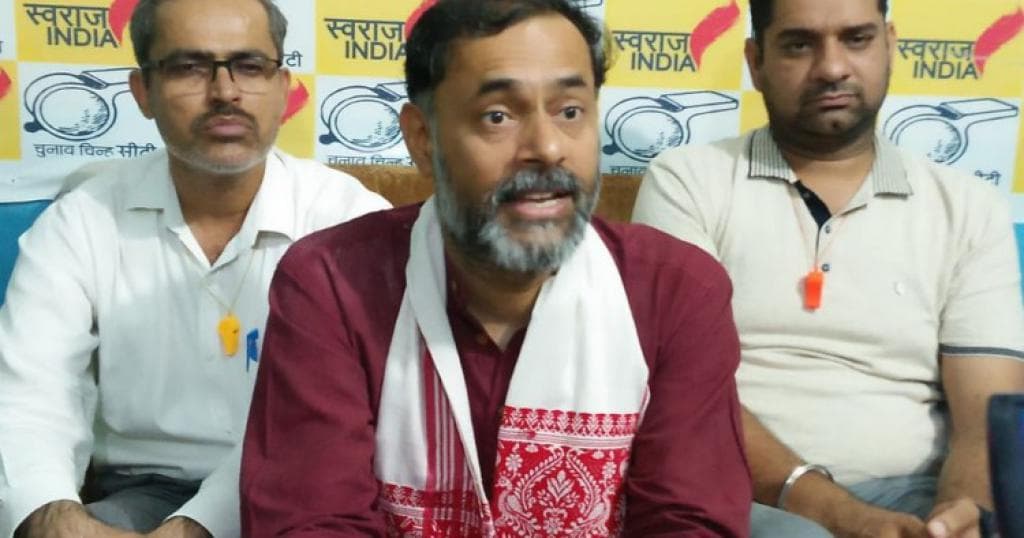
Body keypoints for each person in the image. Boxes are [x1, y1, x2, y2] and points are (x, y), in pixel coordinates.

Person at [239, 0, 751, 535]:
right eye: (498, 116)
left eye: (570, 111)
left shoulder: (677, 291)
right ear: (422, 138)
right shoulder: (331, 284)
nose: (547, 148)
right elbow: (312, 520)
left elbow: (690, 521)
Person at [632, 0, 1024, 536]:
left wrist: (960, 514)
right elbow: (683, 393)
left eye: (857, 39)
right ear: (755, 62)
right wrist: (842, 515)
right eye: (799, 44)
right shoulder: (688, 183)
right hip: (743, 492)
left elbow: (985, 414)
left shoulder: (968, 207)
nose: (832, 67)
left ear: (890, 46)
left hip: (914, 495)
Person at [0, 0, 389, 536]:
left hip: (302, 485)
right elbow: (28, 393)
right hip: (137, 492)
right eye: (189, 67)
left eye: (249, 66)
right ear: (143, 92)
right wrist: (53, 515)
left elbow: (336, 424)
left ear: (284, 89)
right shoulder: (83, 219)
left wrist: (197, 525)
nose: (225, 92)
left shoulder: (350, 223)